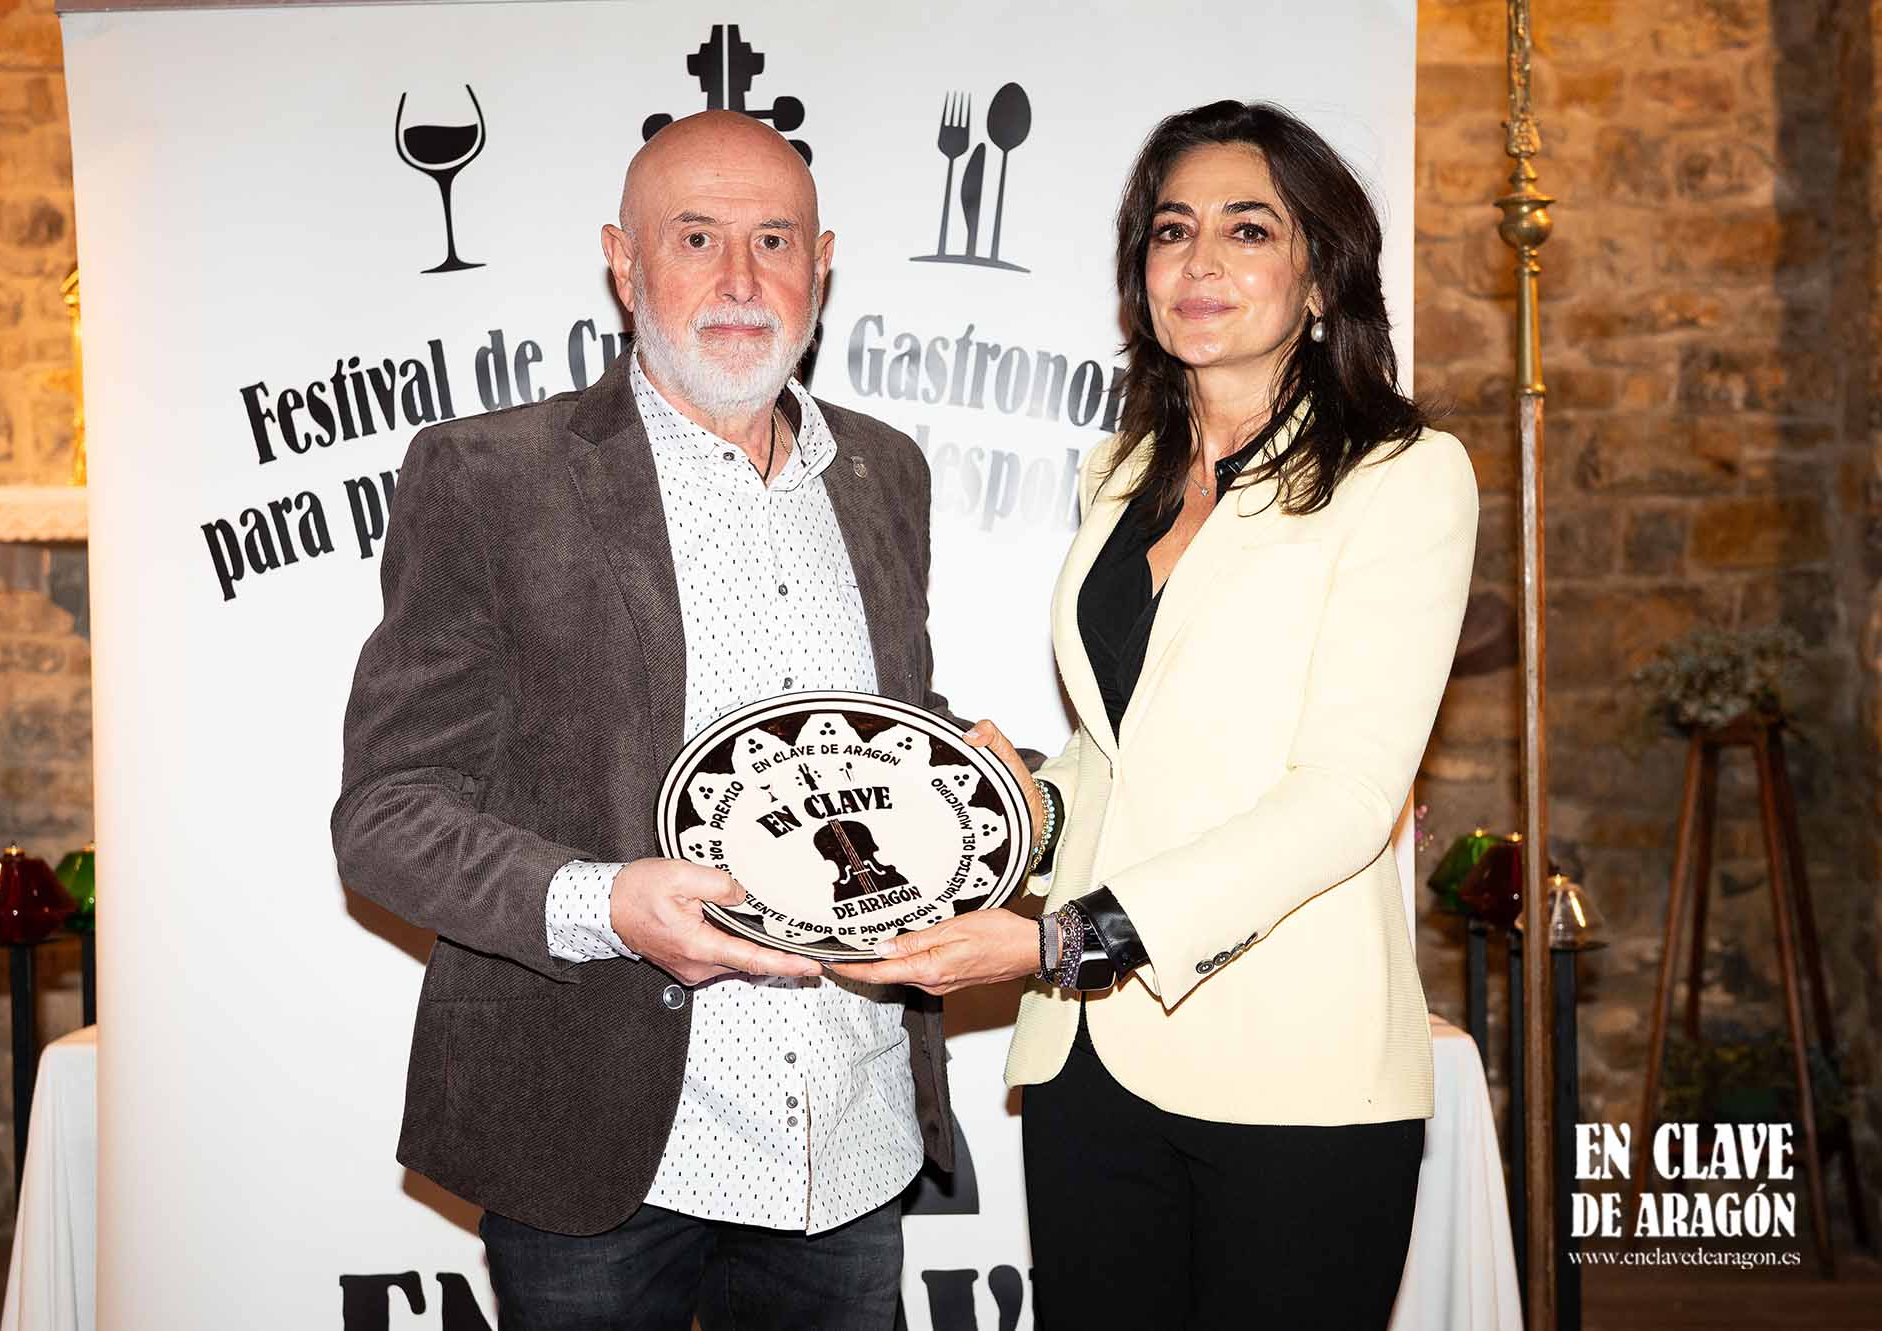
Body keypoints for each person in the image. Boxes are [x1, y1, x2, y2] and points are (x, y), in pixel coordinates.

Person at [840, 100, 1478, 1328]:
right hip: (1086, 1062)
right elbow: (1120, 751)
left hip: (1292, 1068)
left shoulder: (1399, 477)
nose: (1199, 262)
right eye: (1171, 230)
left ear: (1319, 278)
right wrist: (1015, 803)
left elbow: (1344, 798)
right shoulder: (1121, 474)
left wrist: (1062, 938)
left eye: (1248, 229)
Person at [331, 110, 964, 1331]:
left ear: (822, 263)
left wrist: (987, 779)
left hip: (850, 1136)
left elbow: (889, 735)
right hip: (598, 1148)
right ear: (623, 263)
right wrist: (607, 903)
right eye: (694, 237)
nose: (740, 280)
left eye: (773, 239)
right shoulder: (490, 476)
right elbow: (387, 814)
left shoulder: (884, 472)